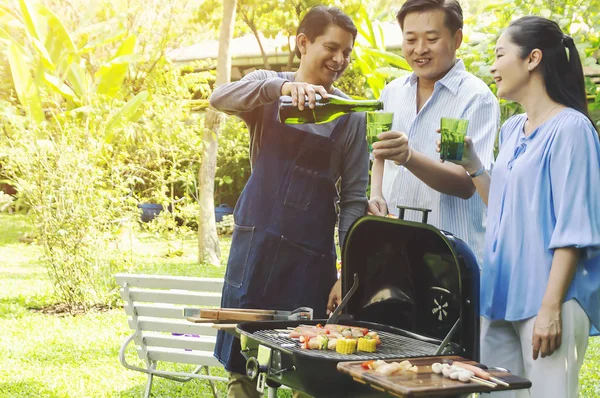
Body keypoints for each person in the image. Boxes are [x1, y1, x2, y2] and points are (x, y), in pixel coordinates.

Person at [209, 6, 368, 397]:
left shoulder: (350, 115)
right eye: (331, 48)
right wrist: (278, 89)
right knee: (243, 366)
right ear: (303, 43)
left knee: (307, 367)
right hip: (255, 247)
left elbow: (353, 199)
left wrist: (344, 270)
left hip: (310, 258)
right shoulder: (267, 87)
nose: (339, 59)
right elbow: (219, 98)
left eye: (346, 52)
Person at [438, 16, 600, 398]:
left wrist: (550, 307)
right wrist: (473, 164)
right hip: (500, 295)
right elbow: (505, 210)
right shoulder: (512, 129)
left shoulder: (572, 130)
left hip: (548, 298)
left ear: (533, 59)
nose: (492, 66)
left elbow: (574, 227)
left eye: (499, 55)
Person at [327, 0, 500, 312]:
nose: (420, 49)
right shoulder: (392, 92)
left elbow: (465, 184)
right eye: (410, 39)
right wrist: (376, 194)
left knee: (450, 357)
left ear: (457, 39)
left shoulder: (476, 98)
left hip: (450, 259)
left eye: (432, 39)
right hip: (395, 258)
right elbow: (378, 153)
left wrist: (409, 157)